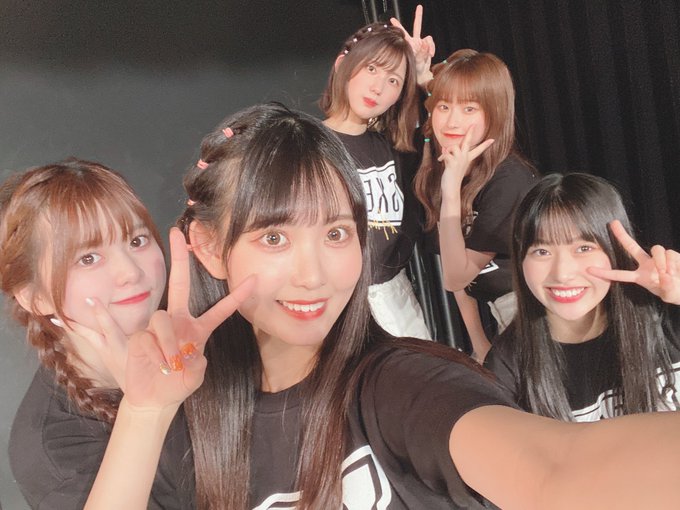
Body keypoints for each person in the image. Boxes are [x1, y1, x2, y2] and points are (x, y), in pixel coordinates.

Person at [111, 103, 678, 510]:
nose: (314, 276)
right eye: (275, 238)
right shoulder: (186, 423)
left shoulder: (402, 384)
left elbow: (556, 470)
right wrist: (144, 415)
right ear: (211, 248)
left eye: (336, 233)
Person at [1, 159, 249, 509]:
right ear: (35, 298)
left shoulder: (207, 322)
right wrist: (146, 412)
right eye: (88, 258)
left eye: (137, 240)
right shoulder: (54, 446)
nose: (129, 271)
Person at [485, 172, 680, 421]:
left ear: (615, 250)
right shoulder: (508, 365)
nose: (562, 274)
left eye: (583, 248)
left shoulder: (667, 316)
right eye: (542, 251)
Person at [414, 49, 537, 360]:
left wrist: (451, 191)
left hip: (537, 314)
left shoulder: (509, 180)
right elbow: (455, 267)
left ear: (494, 113)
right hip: (501, 313)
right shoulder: (449, 171)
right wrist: (479, 344)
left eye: (469, 108)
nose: (452, 120)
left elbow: (457, 276)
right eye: (444, 106)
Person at [318, 6, 434, 339]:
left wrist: (423, 76)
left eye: (393, 80)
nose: (379, 87)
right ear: (342, 64)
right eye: (372, 68)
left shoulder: (394, 147)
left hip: (396, 299)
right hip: (340, 305)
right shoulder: (309, 146)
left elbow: (446, 129)